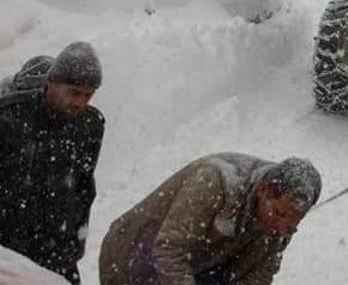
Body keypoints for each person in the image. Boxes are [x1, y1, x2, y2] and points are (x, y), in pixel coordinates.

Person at [99, 153, 322, 285]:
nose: (282, 227)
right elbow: (169, 250)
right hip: (135, 256)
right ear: (263, 190)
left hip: (203, 263)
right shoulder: (216, 181)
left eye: (293, 222)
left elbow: (259, 275)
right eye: (280, 214)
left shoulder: (284, 218)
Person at [0, 42, 105, 284]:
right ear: (52, 83)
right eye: (74, 92)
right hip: (9, 249)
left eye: (88, 95)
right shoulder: (9, 117)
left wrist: (75, 243)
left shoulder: (90, 125)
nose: (80, 102)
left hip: (57, 250)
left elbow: (83, 188)